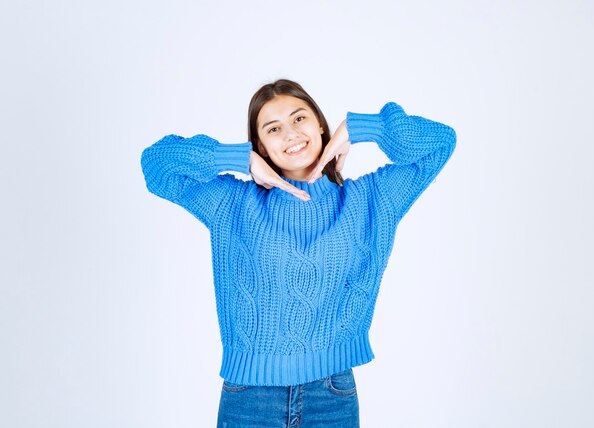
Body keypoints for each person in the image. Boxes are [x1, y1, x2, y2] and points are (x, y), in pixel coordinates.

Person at [141, 79, 456, 427]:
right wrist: (237, 158)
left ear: (320, 125)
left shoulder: (372, 198)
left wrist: (362, 127)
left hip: (331, 396)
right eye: (273, 128)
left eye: (299, 118)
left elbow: (441, 142)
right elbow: (155, 166)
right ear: (261, 144)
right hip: (249, 397)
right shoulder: (231, 202)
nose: (290, 134)